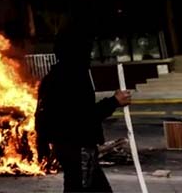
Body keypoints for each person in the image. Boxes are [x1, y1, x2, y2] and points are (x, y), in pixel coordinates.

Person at [36, 25, 132, 192]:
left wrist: (43, 144)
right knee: (80, 186)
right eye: (87, 48)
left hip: (68, 148)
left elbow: (40, 115)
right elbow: (83, 116)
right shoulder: (73, 76)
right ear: (77, 49)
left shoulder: (52, 77)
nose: (90, 54)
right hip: (78, 147)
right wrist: (114, 102)